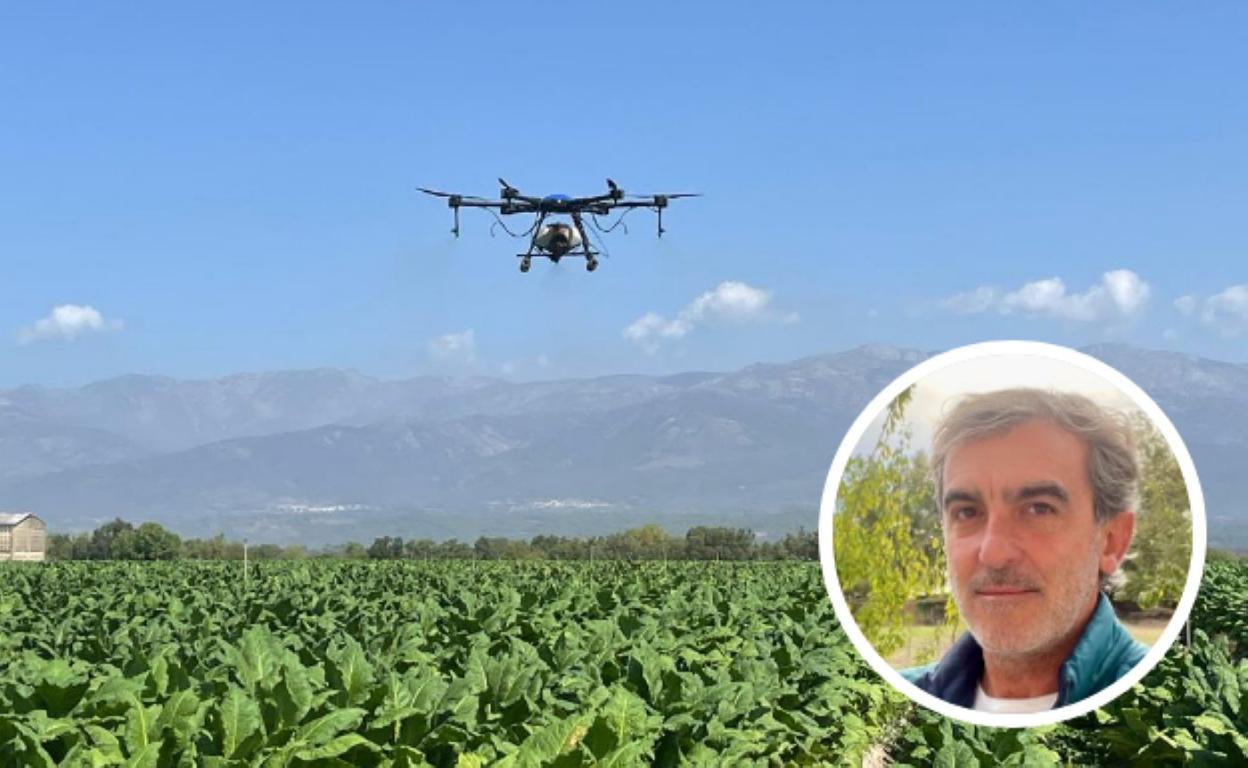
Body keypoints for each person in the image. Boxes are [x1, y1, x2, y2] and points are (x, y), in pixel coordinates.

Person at [900, 388, 1148, 713]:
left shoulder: (1167, 706)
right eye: (967, 512)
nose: (993, 553)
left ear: (1112, 540)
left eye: (1038, 509)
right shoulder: (892, 704)